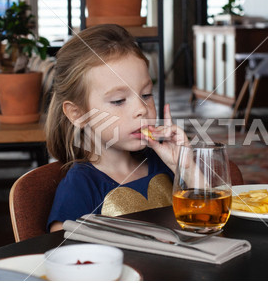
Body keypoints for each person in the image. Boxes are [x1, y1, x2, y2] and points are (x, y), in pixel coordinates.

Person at [45, 24, 188, 232]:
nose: (141, 109)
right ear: (78, 114)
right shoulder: (80, 186)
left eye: (146, 95)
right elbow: (63, 255)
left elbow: (212, 224)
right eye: (119, 100)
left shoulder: (164, 163)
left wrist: (186, 168)